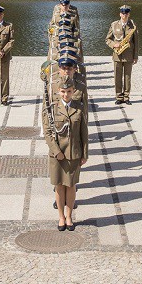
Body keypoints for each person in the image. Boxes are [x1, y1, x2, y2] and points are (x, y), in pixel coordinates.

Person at [44, 77, 88, 231]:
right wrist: (57, 152)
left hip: (74, 153)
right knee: (59, 186)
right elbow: (48, 133)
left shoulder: (79, 107)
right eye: (63, 91)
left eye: (68, 91)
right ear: (58, 91)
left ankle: (69, 216)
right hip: (57, 155)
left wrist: (84, 154)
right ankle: (61, 217)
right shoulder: (52, 108)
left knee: (71, 186)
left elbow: (84, 132)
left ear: (73, 91)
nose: (65, 95)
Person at [105, 5, 138, 105]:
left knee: (127, 77)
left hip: (128, 55)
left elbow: (136, 42)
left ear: (129, 14)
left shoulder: (133, 25)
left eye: (126, 13)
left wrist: (135, 56)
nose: (124, 15)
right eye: (123, 13)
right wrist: (114, 44)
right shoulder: (114, 24)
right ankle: (119, 96)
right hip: (117, 54)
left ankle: (126, 97)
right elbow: (107, 39)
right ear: (120, 14)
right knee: (117, 77)